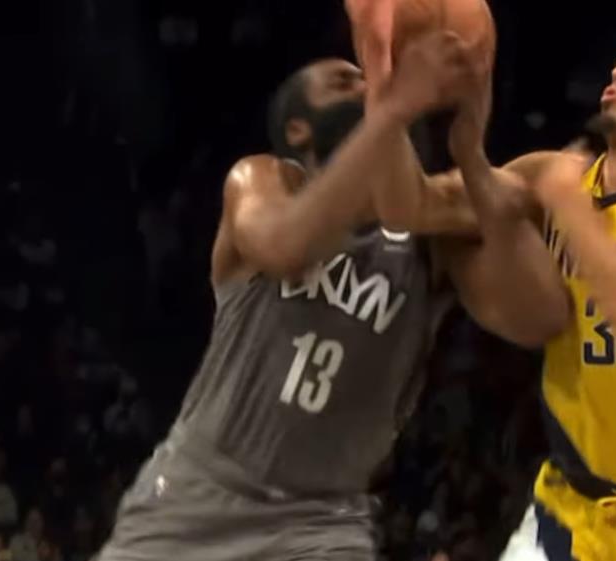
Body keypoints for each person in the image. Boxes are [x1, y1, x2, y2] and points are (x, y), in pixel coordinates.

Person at [96, 29, 568, 561]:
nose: (366, 85)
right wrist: (391, 109)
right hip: (199, 491)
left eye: (369, 79)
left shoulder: (429, 234)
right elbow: (284, 247)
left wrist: (470, 155)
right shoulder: (263, 180)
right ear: (298, 129)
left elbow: (539, 320)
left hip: (322, 519)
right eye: (344, 83)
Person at [376, 5, 616, 561]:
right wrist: (394, 97)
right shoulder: (551, 174)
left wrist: (567, 206)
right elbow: (409, 206)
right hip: (571, 506)